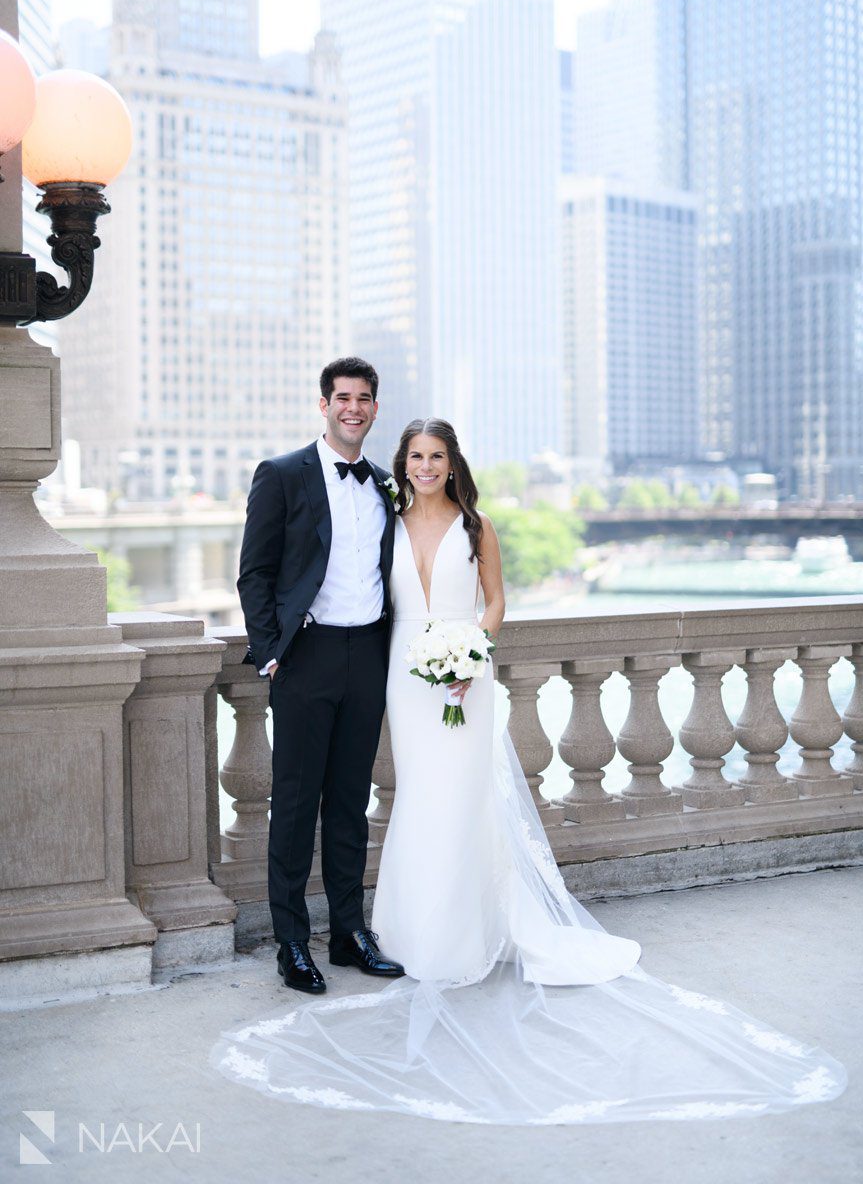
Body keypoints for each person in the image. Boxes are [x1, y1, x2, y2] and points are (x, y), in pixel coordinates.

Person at [216, 419, 845, 1126]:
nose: (425, 466)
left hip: (461, 682)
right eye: (416, 456)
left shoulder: (475, 525)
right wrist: (281, 641)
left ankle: (465, 932)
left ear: (453, 464)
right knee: (418, 796)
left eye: (437, 457)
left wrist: (468, 658)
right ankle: (393, 930)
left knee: (463, 797)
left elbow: (494, 602)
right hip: (395, 676)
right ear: (404, 464)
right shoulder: (385, 514)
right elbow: (330, 575)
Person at [236, 357, 404, 994]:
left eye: (363, 398)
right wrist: (268, 648)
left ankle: (347, 935)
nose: (352, 408)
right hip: (306, 658)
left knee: (349, 806)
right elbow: (255, 572)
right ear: (324, 404)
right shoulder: (282, 475)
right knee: (296, 805)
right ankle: (290, 944)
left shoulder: (387, 484)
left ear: (374, 408)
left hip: (369, 655)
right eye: (342, 398)